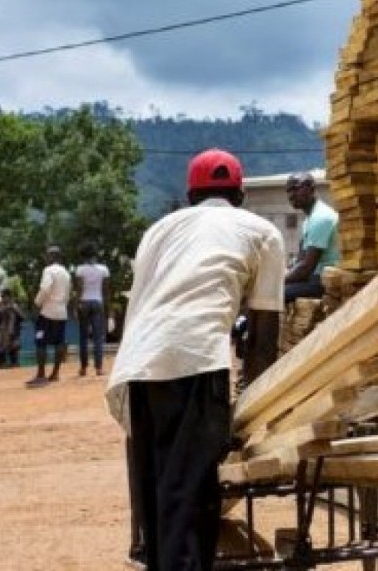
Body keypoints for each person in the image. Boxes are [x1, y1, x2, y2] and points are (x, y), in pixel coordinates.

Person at [107, 148, 285, 571]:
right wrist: (253, 411)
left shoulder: (159, 230)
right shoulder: (261, 232)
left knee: (157, 497)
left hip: (137, 364)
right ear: (240, 195)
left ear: (191, 196)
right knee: (189, 498)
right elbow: (263, 334)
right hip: (197, 360)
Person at [283, 172, 340, 302]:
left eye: (295, 188)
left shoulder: (321, 217)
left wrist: (277, 282)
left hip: (323, 280)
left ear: (311, 188)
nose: (291, 195)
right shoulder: (309, 220)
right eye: (288, 190)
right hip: (313, 277)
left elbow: (306, 268)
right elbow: (301, 260)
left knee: (274, 296)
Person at [27, 246, 72, 388]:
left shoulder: (49, 270)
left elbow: (45, 288)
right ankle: (55, 373)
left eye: (47, 256)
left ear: (52, 256)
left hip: (47, 312)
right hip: (61, 312)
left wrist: (36, 304)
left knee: (40, 341)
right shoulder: (66, 273)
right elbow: (68, 293)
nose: (46, 258)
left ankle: (41, 375)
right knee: (59, 342)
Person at [74, 243, 111, 378]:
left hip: (84, 303)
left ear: (83, 255)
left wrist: (76, 304)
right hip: (98, 302)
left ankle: (83, 368)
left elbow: (79, 289)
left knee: (83, 337)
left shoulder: (80, 269)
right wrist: (108, 307)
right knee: (98, 337)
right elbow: (106, 291)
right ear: (95, 254)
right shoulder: (104, 269)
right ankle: (99, 368)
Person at [0, 295, 23, 369]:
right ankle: (2, 369)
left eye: (7, 298)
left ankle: (14, 369)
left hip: (13, 335)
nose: (5, 300)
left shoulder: (15, 309)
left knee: (13, 354)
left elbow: (22, 318)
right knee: (2, 354)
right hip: (3, 336)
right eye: (4, 298)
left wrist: (16, 309)